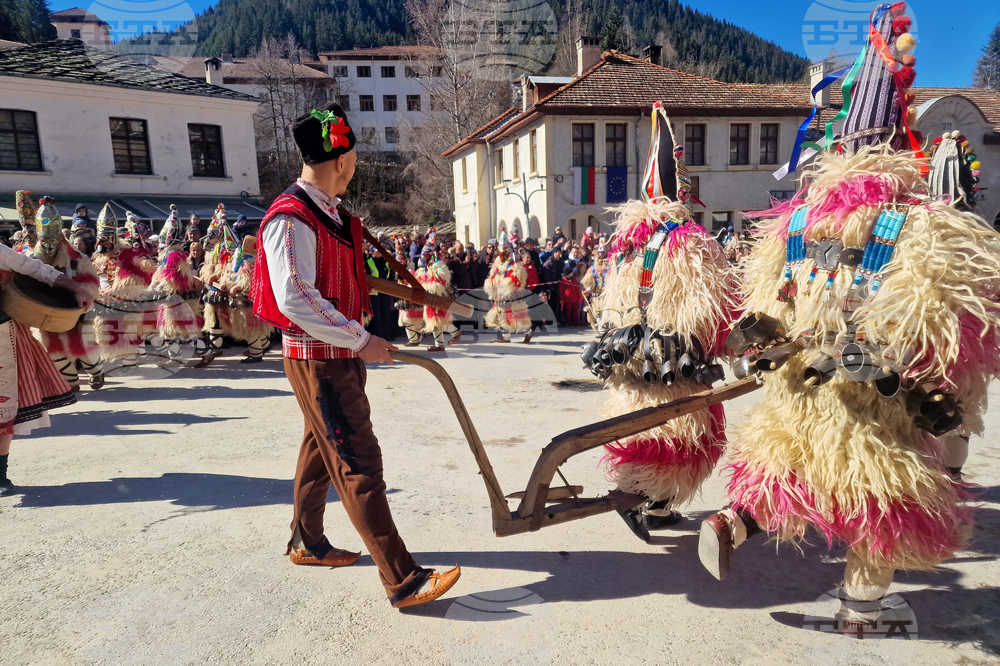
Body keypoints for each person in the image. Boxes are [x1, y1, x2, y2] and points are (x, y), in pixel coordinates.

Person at [698, 5, 1000, 630]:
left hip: (802, 379)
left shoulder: (795, 223)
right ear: (902, 142)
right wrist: (950, 395)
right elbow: (944, 327)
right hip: (875, 394)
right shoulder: (919, 225)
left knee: (793, 465)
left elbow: (764, 307)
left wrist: (769, 346)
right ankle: (863, 608)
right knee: (879, 494)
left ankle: (734, 522)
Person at [249, 102, 460, 609]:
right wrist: (361, 339)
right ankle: (403, 580)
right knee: (356, 460)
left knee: (321, 451)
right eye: (355, 158)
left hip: (332, 354)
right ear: (341, 160)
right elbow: (295, 296)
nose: (356, 166)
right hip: (320, 358)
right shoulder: (292, 217)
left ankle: (306, 541)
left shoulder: (329, 213)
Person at [583, 102, 736, 540]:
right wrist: (730, 342)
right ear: (682, 193)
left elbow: (608, 303)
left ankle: (656, 504)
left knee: (643, 430)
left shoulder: (625, 247)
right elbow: (713, 308)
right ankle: (644, 500)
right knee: (684, 438)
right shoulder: (690, 242)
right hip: (674, 362)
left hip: (629, 359)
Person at [0, 234, 95, 496]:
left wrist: (77, 288)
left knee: (3, 409)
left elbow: (38, 270)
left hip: (2, 338)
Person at [33, 197, 105, 391]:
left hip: (76, 311)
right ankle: (70, 381)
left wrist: (78, 297)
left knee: (83, 346)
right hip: (47, 312)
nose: (49, 246)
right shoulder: (32, 260)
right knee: (54, 349)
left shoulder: (78, 259)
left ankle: (96, 372)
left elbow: (91, 284)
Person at [484, 238, 532, 343]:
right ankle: (505, 337)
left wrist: (507, 289)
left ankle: (528, 332)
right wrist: (491, 285)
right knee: (500, 316)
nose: (502, 256)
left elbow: (516, 279)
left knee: (517, 317)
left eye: (504, 253)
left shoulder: (514, 265)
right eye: (501, 253)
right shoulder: (497, 265)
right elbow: (493, 276)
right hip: (499, 295)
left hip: (511, 296)